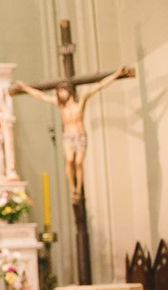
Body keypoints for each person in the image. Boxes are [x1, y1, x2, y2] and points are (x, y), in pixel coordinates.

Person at [14, 66, 128, 202]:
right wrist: (25, 88)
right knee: (69, 160)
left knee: (79, 163)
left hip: (80, 136)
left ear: (68, 91)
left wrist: (116, 74)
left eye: (62, 91)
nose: (60, 94)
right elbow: (41, 96)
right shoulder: (60, 105)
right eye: (59, 92)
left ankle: (78, 190)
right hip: (68, 136)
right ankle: (72, 189)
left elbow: (99, 86)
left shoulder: (80, 102)